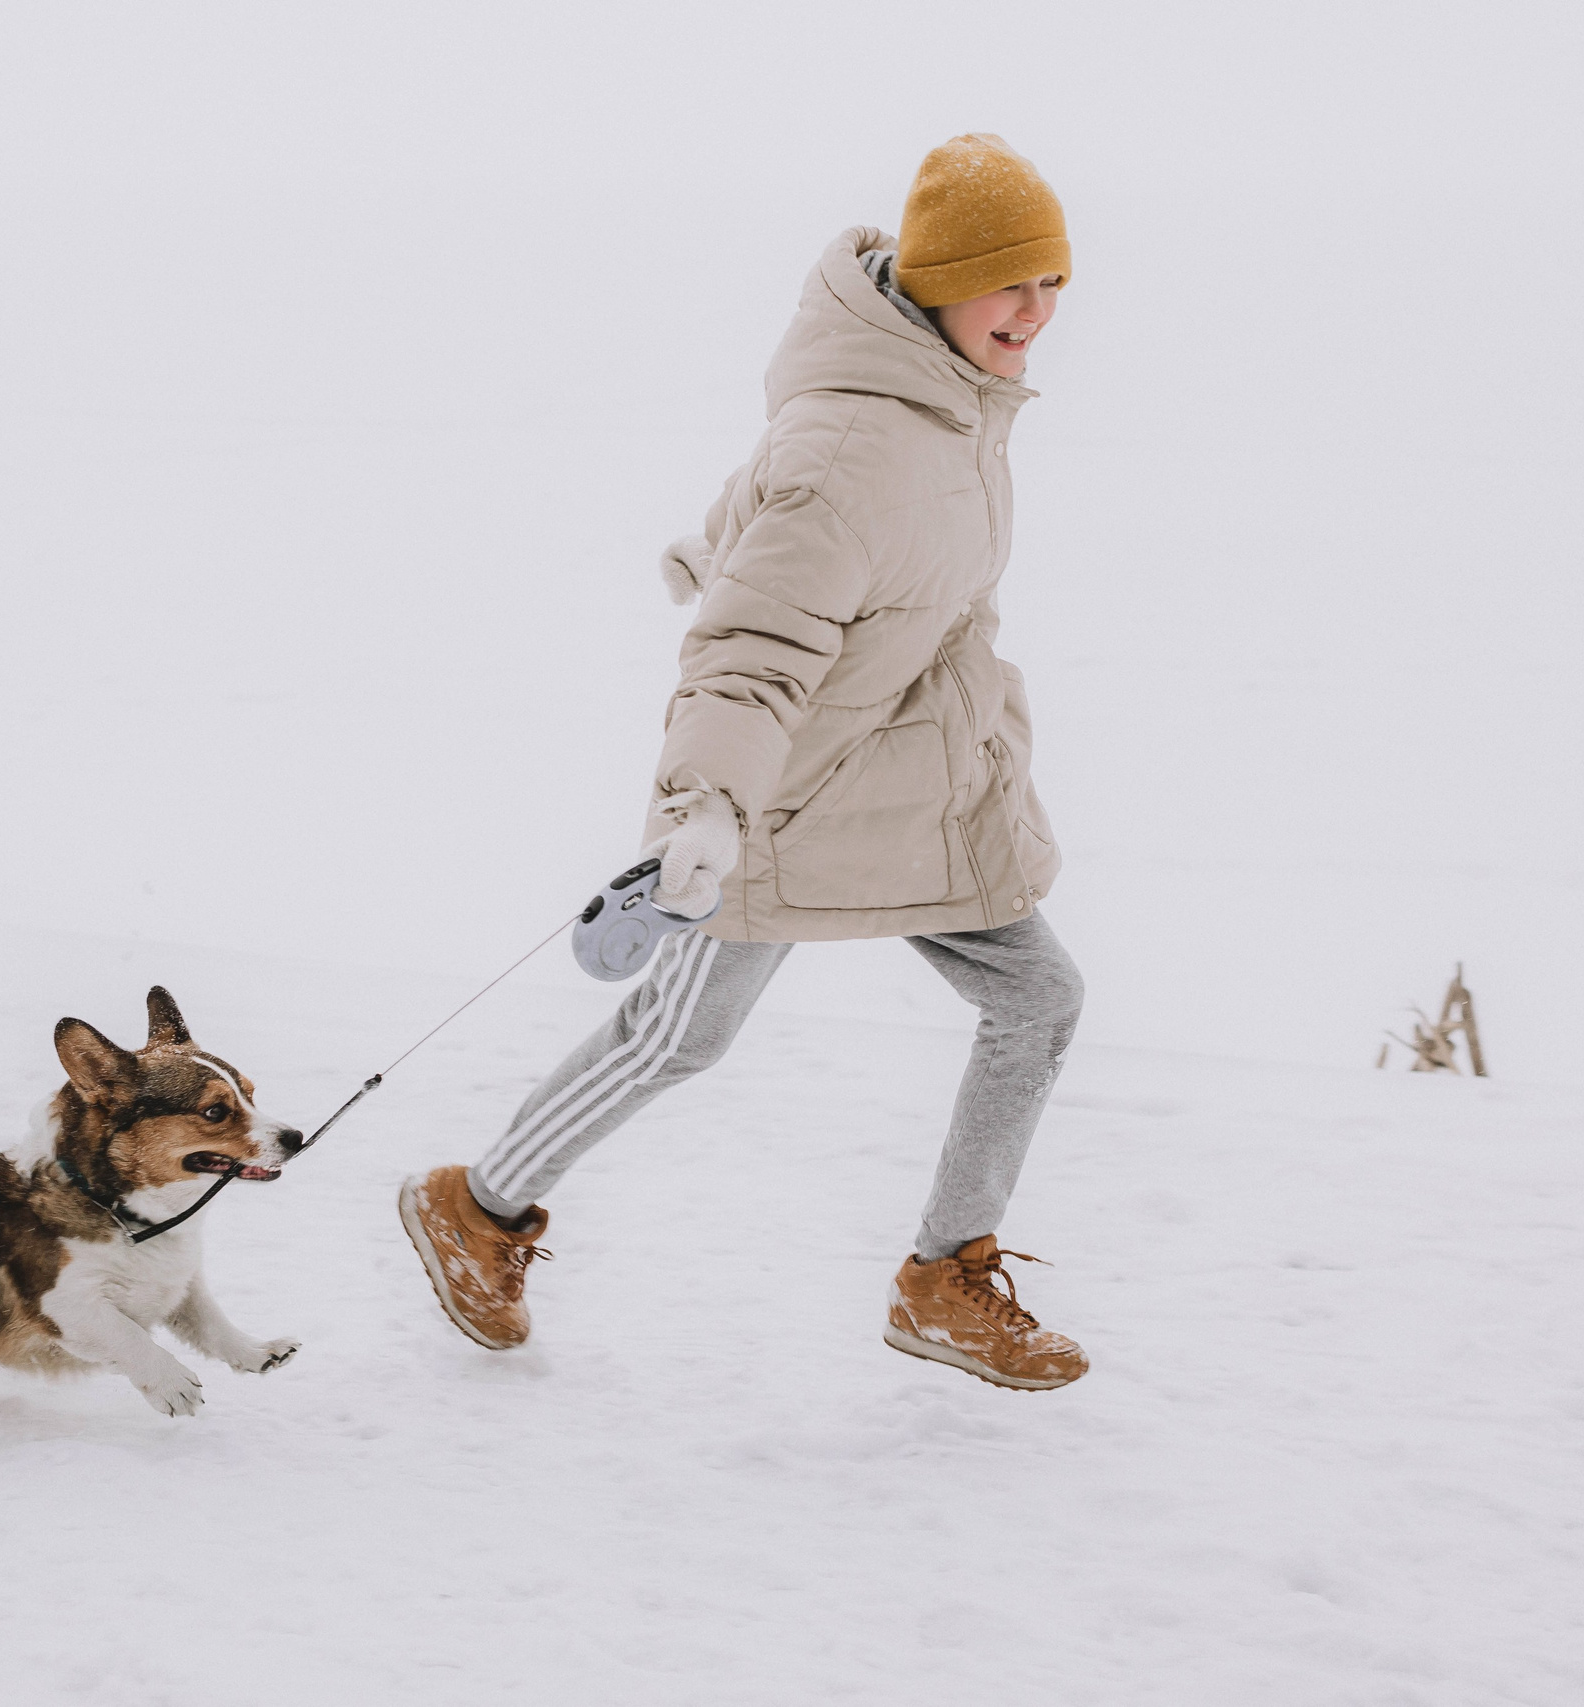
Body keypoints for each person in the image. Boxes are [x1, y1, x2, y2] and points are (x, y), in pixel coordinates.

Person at [400, 134, 1090, 1392]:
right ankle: (478, 1207)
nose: (1036, 313)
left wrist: (709, 535)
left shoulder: (949, 402)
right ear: (937, 282)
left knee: (1038, 998)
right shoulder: (862, 436)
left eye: (1052, 282)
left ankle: (944, 1279)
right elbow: (753, 648)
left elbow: (779, 491)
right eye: (1010, 282)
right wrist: (705, 805)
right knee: (678, 1038)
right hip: (779, 795)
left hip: (920, 781)